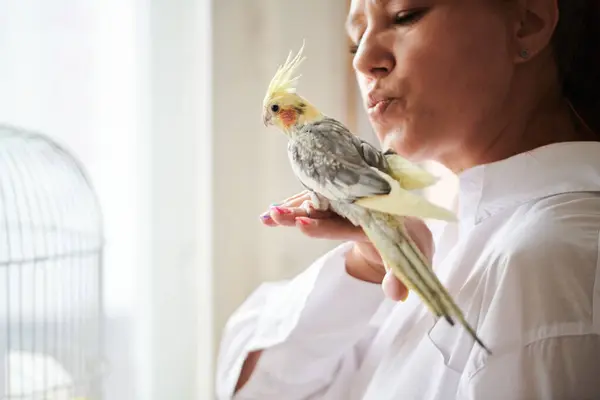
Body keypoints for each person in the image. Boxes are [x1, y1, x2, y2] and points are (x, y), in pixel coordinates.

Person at [216, 0, 600, 398]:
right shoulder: (448, 229)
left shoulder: (550, 264)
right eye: (355, 41)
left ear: (528, 22)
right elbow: (255, 388)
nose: (363, 61)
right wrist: (363, 265)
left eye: (405, 15)